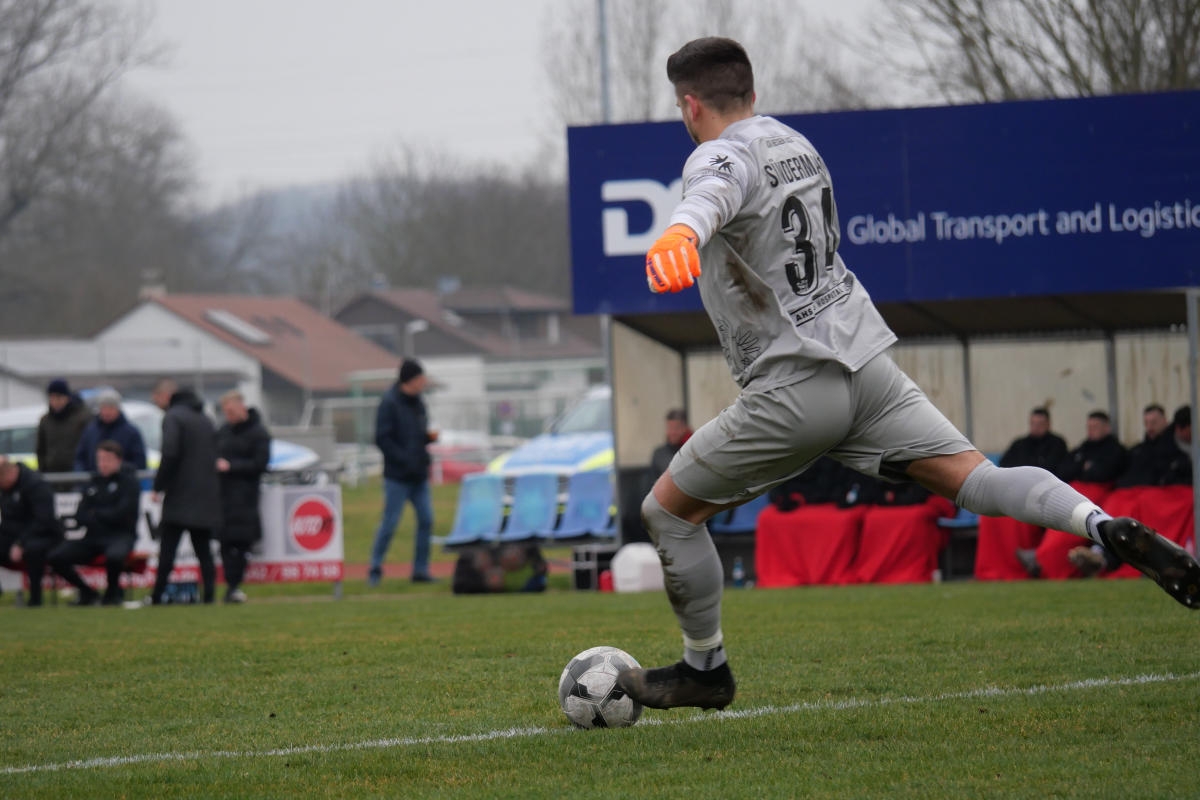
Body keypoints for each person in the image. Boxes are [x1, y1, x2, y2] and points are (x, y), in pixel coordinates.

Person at [615, 37, 1200, 712]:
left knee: (667, 512)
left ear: (690, 106)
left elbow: (713, 187)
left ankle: (704, 670)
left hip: (795, 387)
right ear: (752, 91)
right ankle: (1100, 525)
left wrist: (682, 232)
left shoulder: (713, 152)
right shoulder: (797, 144)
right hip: (866, 366)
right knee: (978, 477)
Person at [1017, 411, 1127, 579]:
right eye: (1089, 427)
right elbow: (1065, 470)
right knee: (1058, 520)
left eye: (1095, 427)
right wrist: (1084, 468)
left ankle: (1043, 560)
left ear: (1107, 428)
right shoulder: (1082, 448)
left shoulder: (1115, 449)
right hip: (1075, 490)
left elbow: (1104, 472)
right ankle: (1041, 556)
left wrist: (1084, 469)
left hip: (1095, 493)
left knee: (1070, 524)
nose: (1091, 430)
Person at [149, 379, 221, 605]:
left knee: (168, 550)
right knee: (203, 551)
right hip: (204, 494)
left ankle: (157, 596)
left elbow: (170, 453)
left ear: (168, 397)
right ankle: (209, 596)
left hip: (179, 495)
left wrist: (159, 485)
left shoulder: (173, 417)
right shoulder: (205, 419)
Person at [368, 358, 436, 586]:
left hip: (418, 475)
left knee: (427, 520)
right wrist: (403, 459)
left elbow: (417, 434)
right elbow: (382, 438)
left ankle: (420, 570)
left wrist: (427, 440)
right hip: (397, 477)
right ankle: (375, 568)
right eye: (421, 378)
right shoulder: (389, 403)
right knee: (390, 523)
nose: (424, 382)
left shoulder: (419, 403)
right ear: (410, 380)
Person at [48, 440, 140, 605]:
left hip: (120, 535)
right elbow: (80, 515)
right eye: (100, 459)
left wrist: (96, 514)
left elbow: (122, 514)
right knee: (56, 557)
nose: (103, 464)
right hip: (93, 536)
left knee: (114, 556)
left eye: (107, 459)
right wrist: (99, 516)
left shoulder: (129, 483)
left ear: (118, 460)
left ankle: (112, 594)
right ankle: (88, 593)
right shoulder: (93, 482)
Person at [214, 390, 271, 604]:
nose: (228, 415)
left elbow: (260, 464)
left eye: (231, 410)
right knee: (224, 543)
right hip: (223, 498)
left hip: (245, 498)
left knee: (242, 543)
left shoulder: (258, 433)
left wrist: (231, 467)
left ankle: (234, 585)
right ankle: (230, 586)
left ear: (241, 407)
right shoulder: (223, 431)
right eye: (225, 412)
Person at [0, 456, 64, 606]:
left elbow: (44, 520)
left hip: (45, 534)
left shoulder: (36, 484)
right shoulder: (7, 489)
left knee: (33, 549)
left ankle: (35, 599)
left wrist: (20, 543)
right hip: (17, 535)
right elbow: (9, 520)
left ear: (9, 474)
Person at [73, 389, 148, 473]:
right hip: (93, 483)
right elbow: (80, 458)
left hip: (122, 483)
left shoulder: (131, 433)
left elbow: (140, 462)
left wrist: (118, 470)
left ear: (118, 409)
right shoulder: (90, 431)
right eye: (104, 408)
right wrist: (84, 478)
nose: (107, 412)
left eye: (111, 408)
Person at [36, 378, 91, 473]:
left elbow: (88, 446)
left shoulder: (83, 418)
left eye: (59, 397)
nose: (55, 402)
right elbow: (41, 449)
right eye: (52, 397)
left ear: (67, 397)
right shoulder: (45, 421)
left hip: (77, 474)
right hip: (52, 475)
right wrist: (43, 469)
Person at [999, 408, 1068, 474]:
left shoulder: (1057, 444)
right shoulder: (1019, 444)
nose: (1036, 427)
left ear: (1048, 424)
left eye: (1040, 424)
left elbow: (1060, 469)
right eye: (1033, 423)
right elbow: (1004, 464)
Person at [650, 409, 693, 479]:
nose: (673, 432)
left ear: (685, 428)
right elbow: (651, 483)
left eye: (677, 428)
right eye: (670, 428)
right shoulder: (659, 454)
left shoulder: (692, 452)